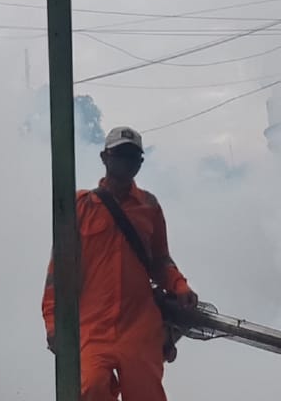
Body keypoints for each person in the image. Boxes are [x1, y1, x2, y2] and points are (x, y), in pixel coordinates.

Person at [42, 126, 199, 401]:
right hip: (92, 326)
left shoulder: (149, 206)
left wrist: (180, 285)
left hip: (139, 327)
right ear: (105, 158)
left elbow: (161, 260)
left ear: (140, 162)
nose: (126, 162)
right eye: (120, 155)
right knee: (90, 388)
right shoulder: (81, 206)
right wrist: (53, 323)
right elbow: (59, 271)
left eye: (133, 157)